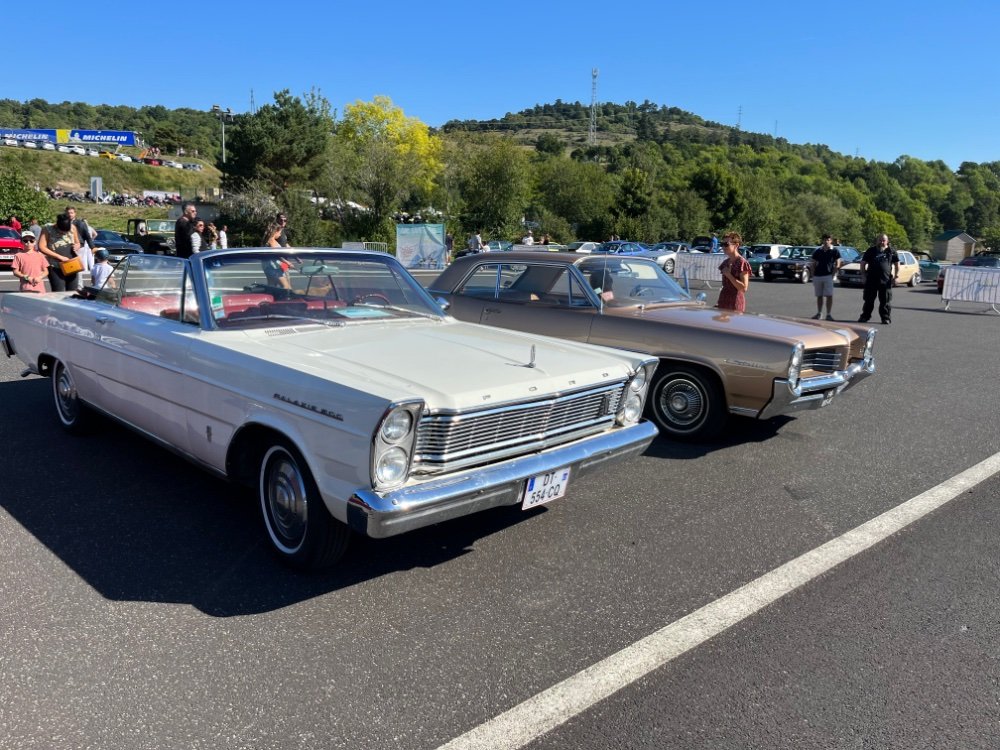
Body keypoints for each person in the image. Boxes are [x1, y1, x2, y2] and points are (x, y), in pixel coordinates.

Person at [858, 233, 899, 324]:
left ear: (887, 241)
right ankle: (865, 316)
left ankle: (885, 318)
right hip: (871, 280)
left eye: (883, 240)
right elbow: (863, 263)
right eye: (880, 240)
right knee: (869, 300)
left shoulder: (891, 251)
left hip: (885, 281)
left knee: (885, 301)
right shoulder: (871, 250)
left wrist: (896, 277)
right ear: (877, 241)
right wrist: (863, 276)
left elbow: (897, 264)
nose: (881, 242)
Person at [37, 212, 81, 292]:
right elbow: (41, 247)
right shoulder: (47, 229)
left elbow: (77, 242)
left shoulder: (73, 228)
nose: (64, 233)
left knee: (73, 292)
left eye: (66, 232)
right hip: (55, 266)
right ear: (57, 225)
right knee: (58, 291)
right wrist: (59, 257)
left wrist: (77, 245)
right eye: (62, 232)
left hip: (72, 264)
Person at [717, 231, 751, 312]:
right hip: (723, 300)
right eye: (722, 244)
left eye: (726, 244)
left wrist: (729, 275)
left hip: (735, 302)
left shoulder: (742, 263)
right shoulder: (725, 263)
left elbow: (743, 288)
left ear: (736, 245)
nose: (723, 247)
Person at [810, 234, 842, 320]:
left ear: (831, 241)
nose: (826, 241)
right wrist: (813, 276)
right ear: (822, 240)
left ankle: (828, 314)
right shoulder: (818, 251)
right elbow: (812, 263)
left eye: (828, 240)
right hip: (818, 276)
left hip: (828, 276)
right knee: (819, 296)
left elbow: (838, 263)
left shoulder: (834, 251)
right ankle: (819, 313)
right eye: (824, 240)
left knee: (829, 295)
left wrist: (833, 274)